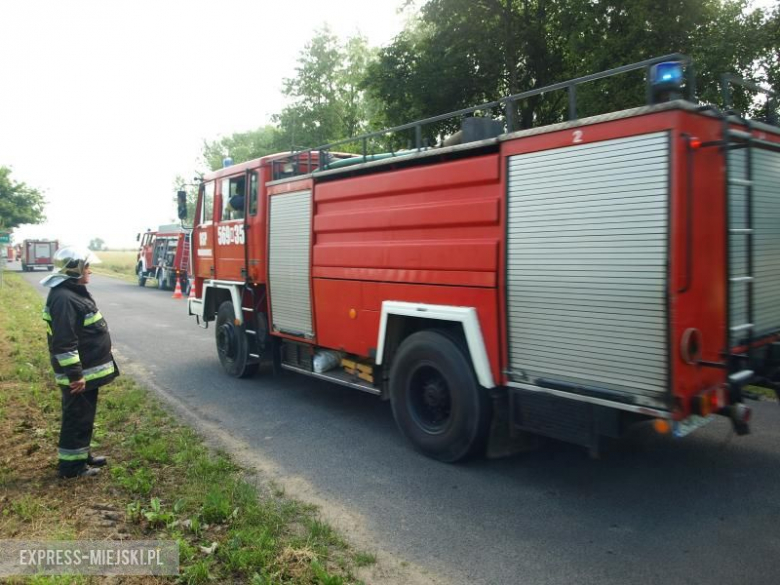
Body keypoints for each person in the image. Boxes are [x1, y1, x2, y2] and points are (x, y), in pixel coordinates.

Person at [41, 247, 119, 478]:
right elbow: (64, 343)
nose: (90, 271)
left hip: (85, 373)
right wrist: (75, 375)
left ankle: (81, 456)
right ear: (74, 270)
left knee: (83, 416)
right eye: (86, 267)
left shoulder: (69, 293)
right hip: (79, 375)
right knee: (76, 418)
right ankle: (72, 468)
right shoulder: (64, 299)